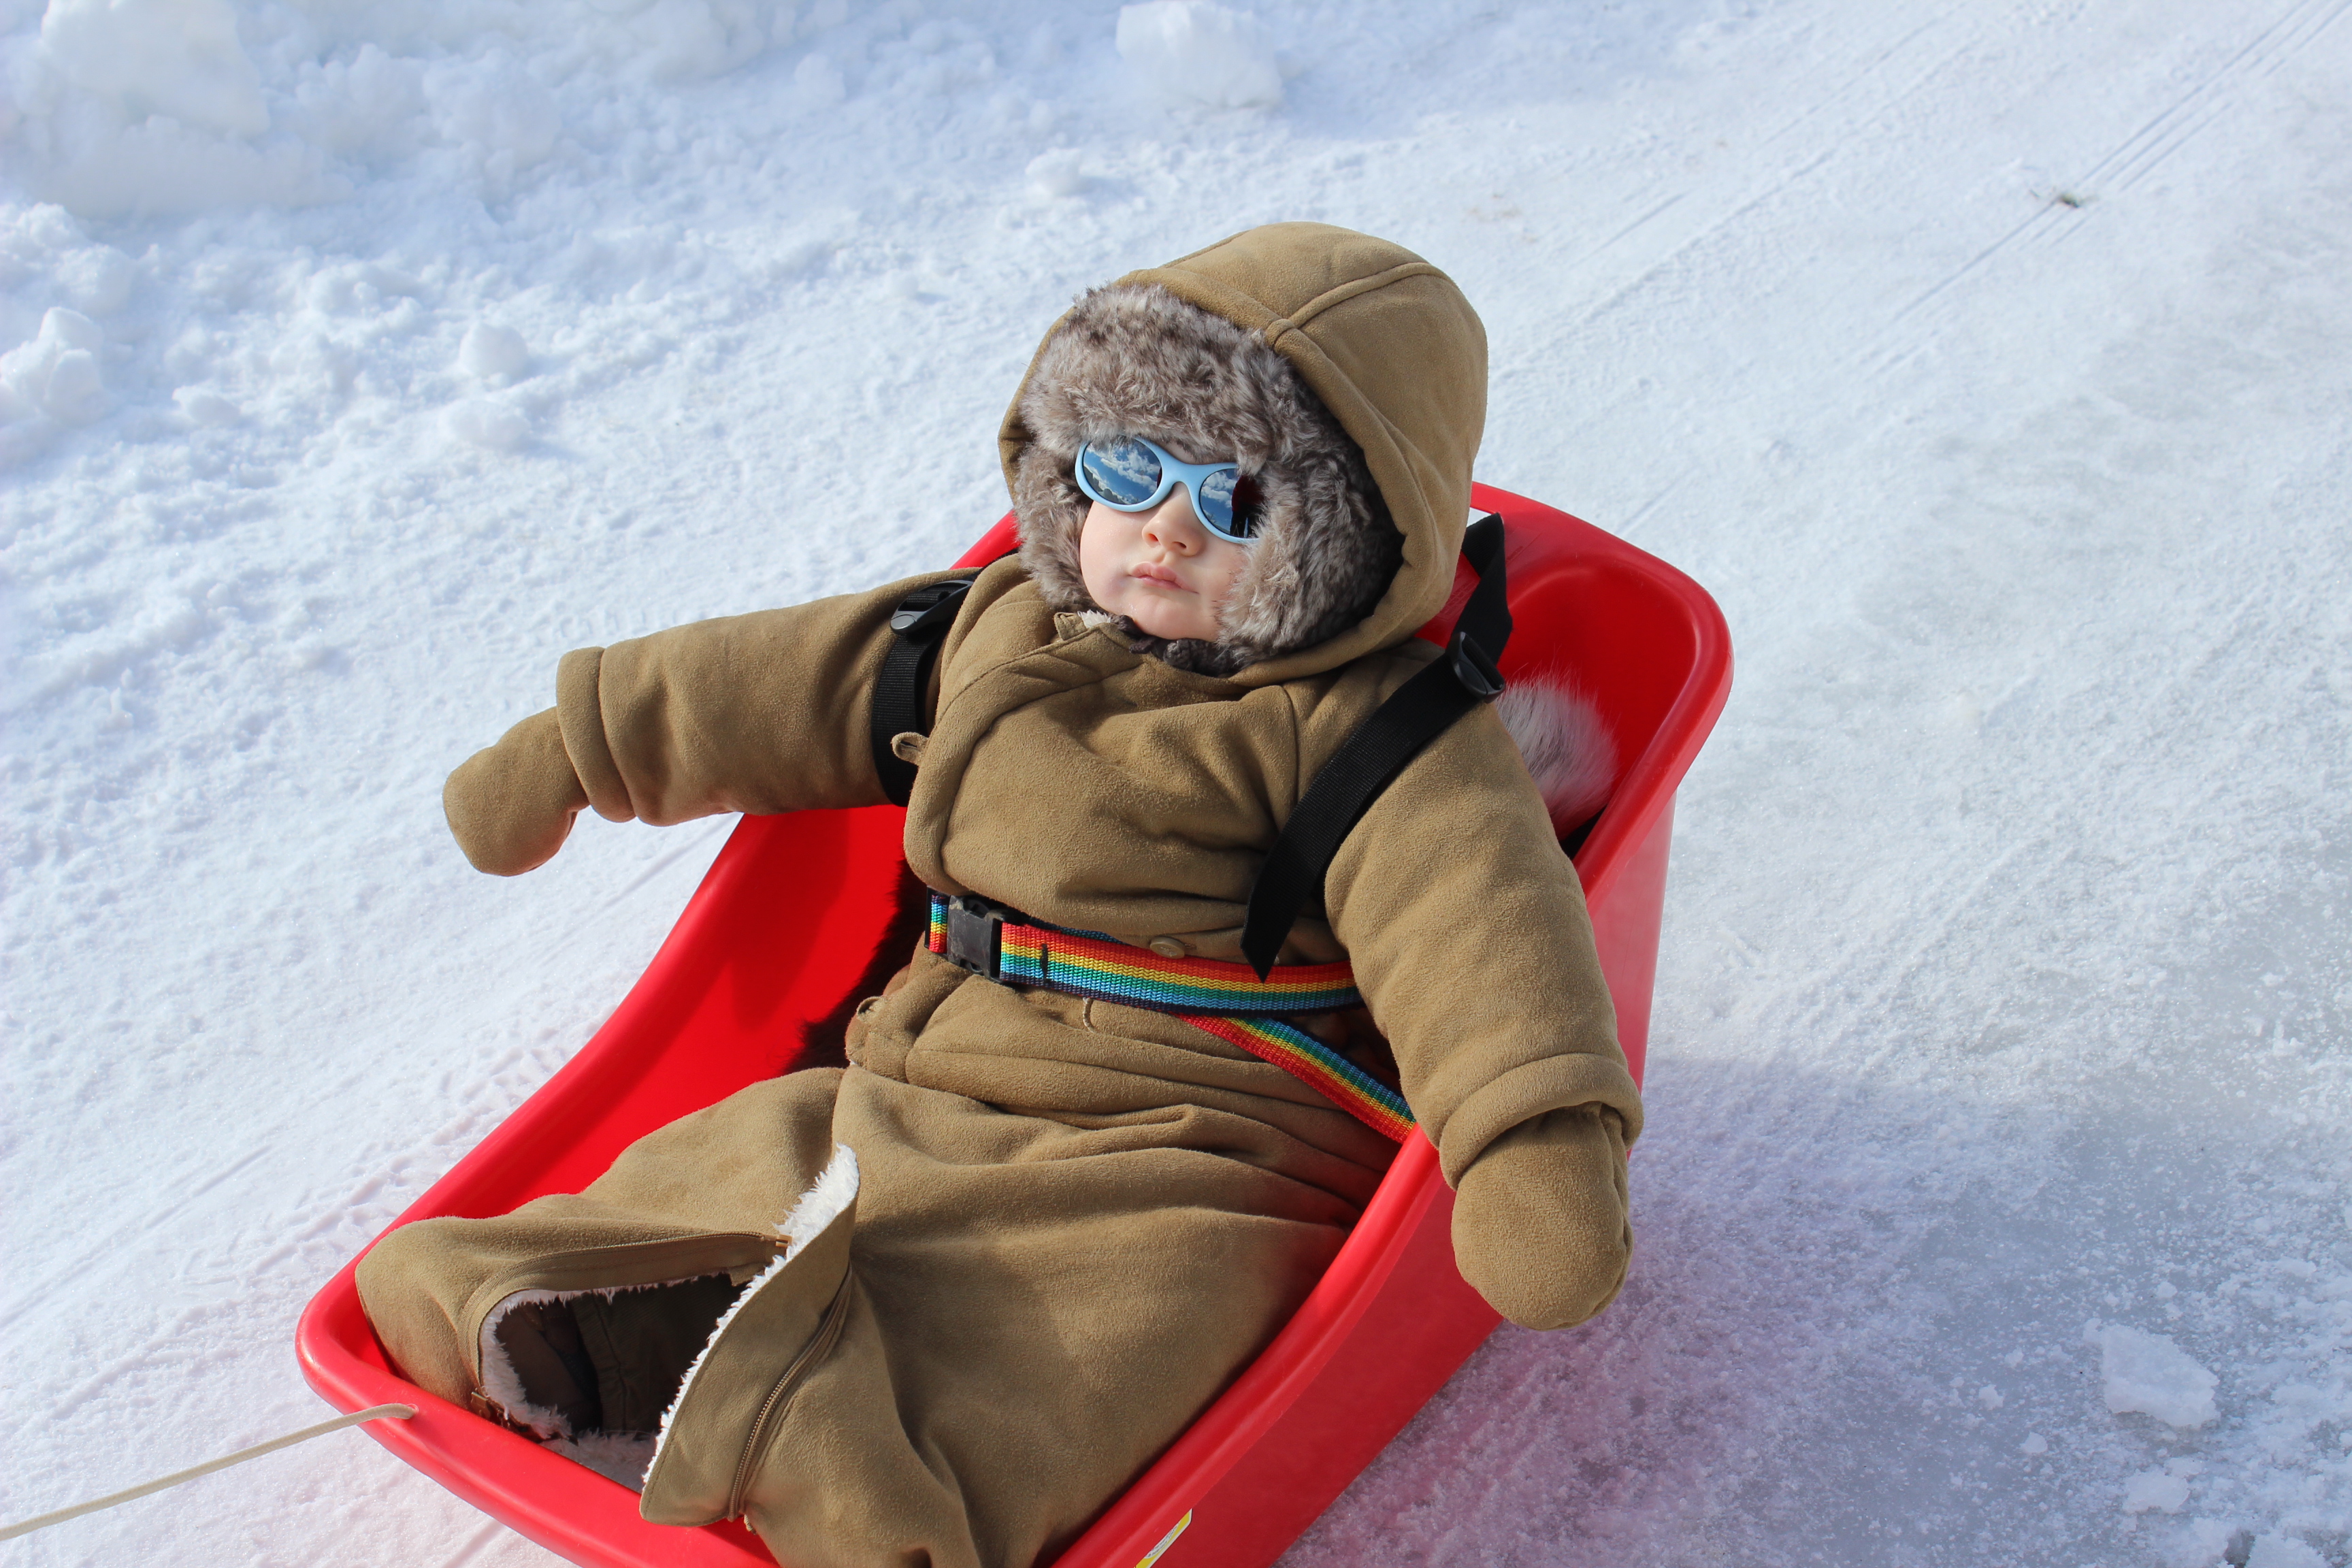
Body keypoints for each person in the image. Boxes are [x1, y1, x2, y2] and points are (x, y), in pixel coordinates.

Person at [357, 221, 1642, 1568]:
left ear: (1357, 535)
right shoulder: (993, 628)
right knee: (758, 1163)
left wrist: (1532, 1139)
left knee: (1082, 1337)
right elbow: (785, 678)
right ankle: (574, 1320)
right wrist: (587, 742)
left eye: (1231, 500)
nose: (1155, 530)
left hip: (1204, 1146)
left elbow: (1482, 936)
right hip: (917, 1073)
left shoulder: (1377, 740)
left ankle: (866, 1473)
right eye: (1126, 470)